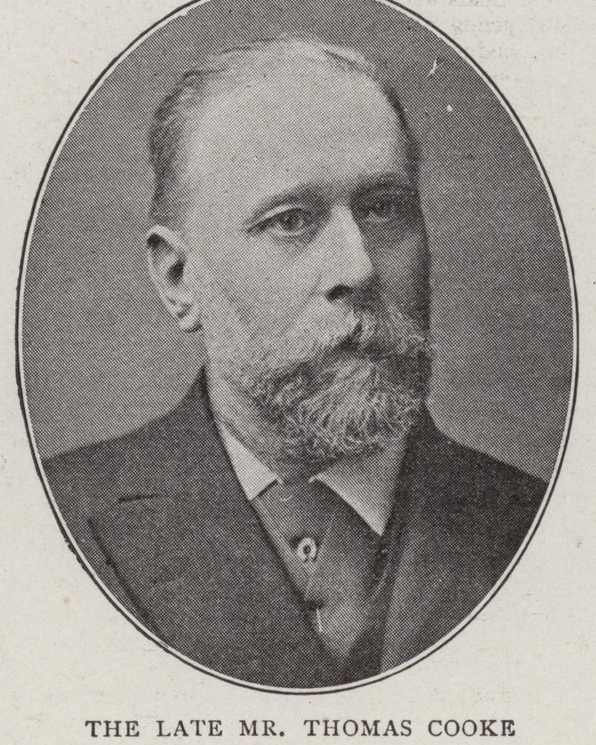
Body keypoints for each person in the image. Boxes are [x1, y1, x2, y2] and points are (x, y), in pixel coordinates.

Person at [44, 36, 544, 688]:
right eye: (290, 221)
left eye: (384, 208)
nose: (358, 267)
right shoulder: (49, 523)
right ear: (178, 278)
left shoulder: (543, 525)